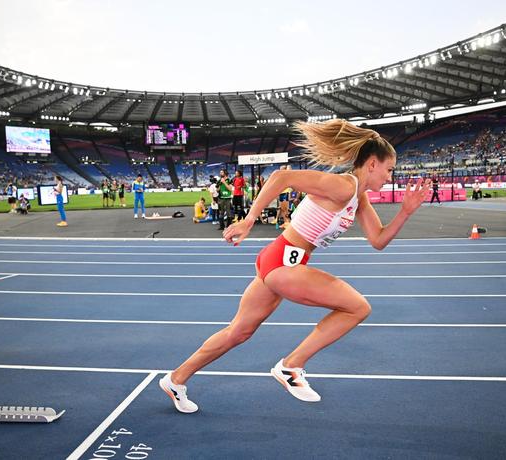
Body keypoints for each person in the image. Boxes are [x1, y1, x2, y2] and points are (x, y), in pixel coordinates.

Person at [159, 119, 431, 414]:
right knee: (357, 307)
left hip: (280, 260)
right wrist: (249, 220)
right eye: (389, 169)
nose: (390, 177)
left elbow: (378, 240)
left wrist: (405, 212)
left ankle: (176, 379)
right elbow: (280, 178)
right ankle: (291, 366)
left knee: (238, 332)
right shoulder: (342, 186)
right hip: (283, 262)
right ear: (373, 164)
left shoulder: (358, 197)